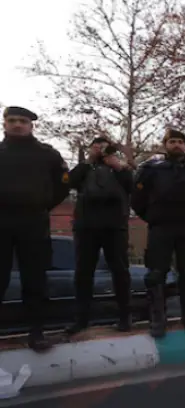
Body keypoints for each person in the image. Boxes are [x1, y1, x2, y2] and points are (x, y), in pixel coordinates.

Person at [131, 128, 185, 338]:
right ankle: (158, 319)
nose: (177, 145)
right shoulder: (151, 169)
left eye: (180, 142)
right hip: (161, 227)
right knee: (156, 274)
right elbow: (137, 199)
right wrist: (154, 217)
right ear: (165, 145)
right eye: (172, 141)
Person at [0, 106, 70, 351]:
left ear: (31, 125)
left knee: (35, 279)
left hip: (33, 222)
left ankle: (37, 332)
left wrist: (42, 204)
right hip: (1, 221)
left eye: (22, 121)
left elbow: (63, 184)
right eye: (11, 120)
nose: (17, 124)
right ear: (4, 124)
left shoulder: (47, 154)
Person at [66, 136, 134, 335]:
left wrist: (119, 166)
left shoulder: (119, 169)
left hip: (114, 227)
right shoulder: (85, 168)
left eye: (104, 147)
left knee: (120, 272)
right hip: (86, 227)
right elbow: (70, 181)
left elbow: (132, 187)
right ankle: (82, 319)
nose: (100, 150)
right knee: (83, 273)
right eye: (96, 146)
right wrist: (88, 161)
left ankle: (124, 316)